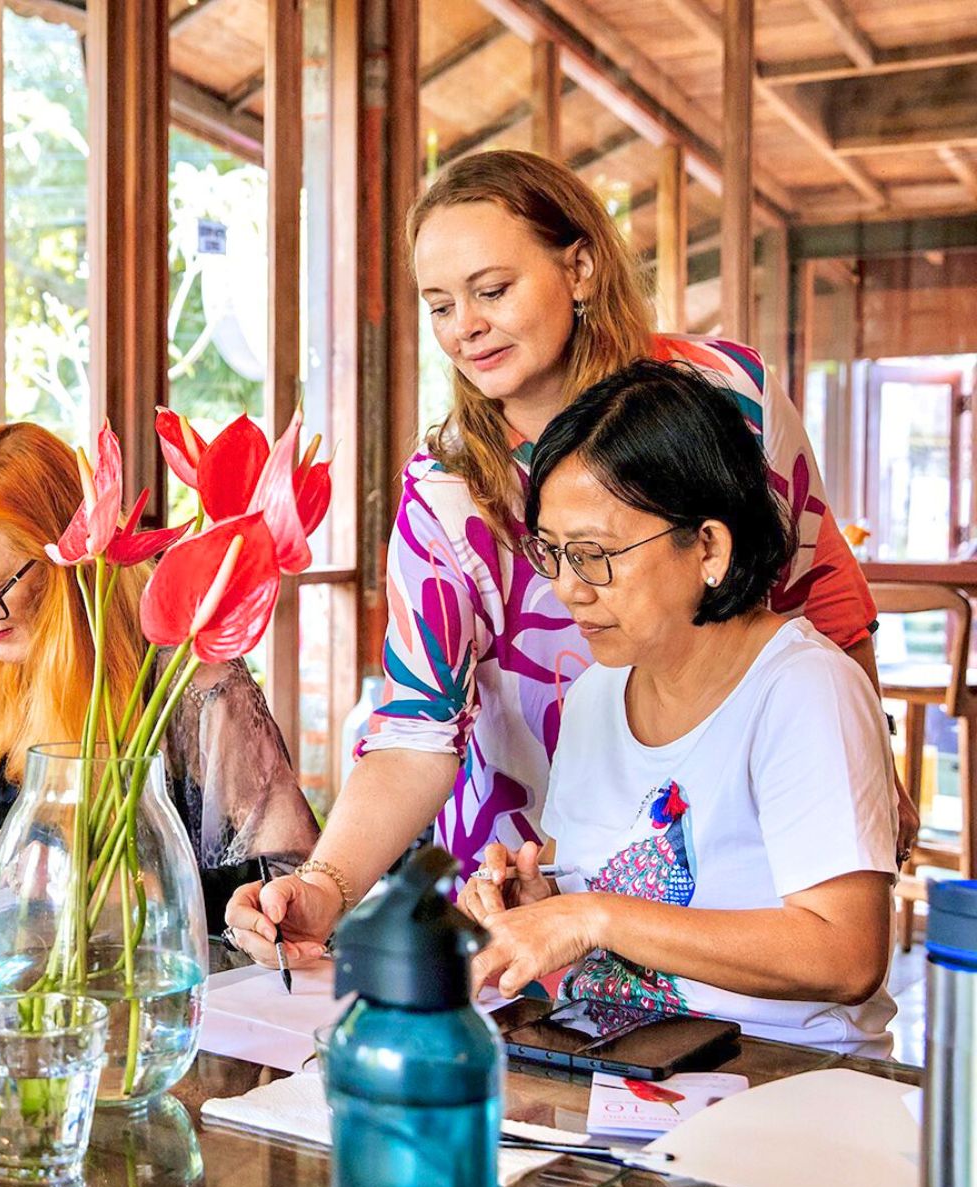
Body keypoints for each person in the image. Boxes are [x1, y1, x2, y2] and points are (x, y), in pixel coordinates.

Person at [225, 149, 911, 970]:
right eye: (439, 305)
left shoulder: (726, 395)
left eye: (492, 290)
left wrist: (867, 780)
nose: (464, 328)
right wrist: (326, 886)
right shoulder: (448, 488)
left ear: (579, 267)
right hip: (534, 876)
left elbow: (819, 594)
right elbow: (415, 730)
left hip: (737, 862)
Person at [456, 359, 898, 1055]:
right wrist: (538, 913)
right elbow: (611, 925)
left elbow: (847, 955)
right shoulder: (599, 695)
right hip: (624, 1065)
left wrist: (592, 916)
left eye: (596, 554)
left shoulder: (803, 690)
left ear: (709, 548)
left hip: (779, 1077)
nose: (569, 589)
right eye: (554, 553)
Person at [0, 423, 318, 926]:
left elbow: (284, 882)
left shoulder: (185, 676)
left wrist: (108, 883)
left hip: (164, 981)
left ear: (67, 564)